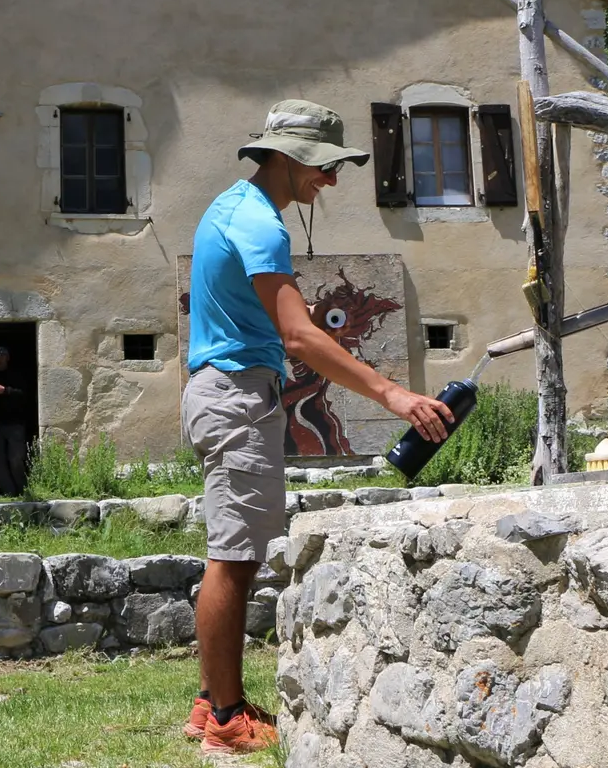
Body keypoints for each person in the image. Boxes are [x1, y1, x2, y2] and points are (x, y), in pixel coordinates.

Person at [180, 99, 456, 755]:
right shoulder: (259, 225)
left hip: (229, 392)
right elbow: (300, 335)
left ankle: (210, 702)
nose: (329, 182)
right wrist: (391, 392)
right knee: (234, 558)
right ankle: (223, 718)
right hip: (236, 395)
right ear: (288, 156)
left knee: (235, 553)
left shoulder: (233, 208)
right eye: (324, 168)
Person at [0, 345, 31, 494]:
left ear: (7, 358)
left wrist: (6, 391)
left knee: (16, 460)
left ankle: (22, 490)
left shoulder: (17, 375)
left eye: (2, 355)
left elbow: (24, 395)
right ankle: (9, 492)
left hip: (16, 424)